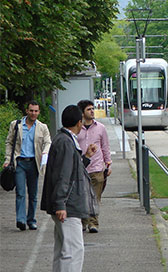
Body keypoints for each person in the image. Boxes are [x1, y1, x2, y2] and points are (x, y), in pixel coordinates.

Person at [41, 105, 97, 272]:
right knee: (73, 250)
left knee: (62, 249)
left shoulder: (62, 139)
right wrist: (60, 204)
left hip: (64, 204)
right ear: (79, 123)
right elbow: (63, 176)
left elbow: (71, 169)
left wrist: (86, 157)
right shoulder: (66, 142)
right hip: (68, 205)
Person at [3, 100, 52, 231]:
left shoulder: (42, 127)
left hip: (34, 163)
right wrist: (8, 159)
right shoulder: (16, 125)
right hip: (19, 162)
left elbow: (48, 142)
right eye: (31, 110)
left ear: (39, 112)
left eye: (36, 111)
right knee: (20, 192)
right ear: (27, 111)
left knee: (33, 194)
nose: (33, 113)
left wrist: (45, 152)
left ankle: (31, 219)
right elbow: (9, 142)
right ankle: (21, 219)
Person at [76, 99, 112, 233]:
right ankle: (83, 221)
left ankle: (93, 223)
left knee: (95, 197)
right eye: (88, 109)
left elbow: (105, 146)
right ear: (82, 113)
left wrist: (108, 163)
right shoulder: (77, 128)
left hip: (97, 168)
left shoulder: (100, 128)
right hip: (81, 168)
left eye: (93, 109)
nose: (92, 111)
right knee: (83, 197)